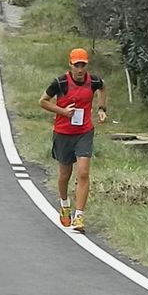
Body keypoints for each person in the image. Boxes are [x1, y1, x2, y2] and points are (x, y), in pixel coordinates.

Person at [38, 48, 107, 233]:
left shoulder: (93, 81)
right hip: (63, 133)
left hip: (84, 132)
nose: (80, 69)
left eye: (83, 65)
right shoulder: (60, 82)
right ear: (70, 65)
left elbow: (102, 86)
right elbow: (42, 101)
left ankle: (79, 216)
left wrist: (101, 109)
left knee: (83, 173)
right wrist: (62, 112)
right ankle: (64, 204)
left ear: (87, 65)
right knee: (64, 175)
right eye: (76, 65)